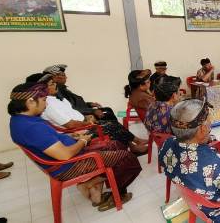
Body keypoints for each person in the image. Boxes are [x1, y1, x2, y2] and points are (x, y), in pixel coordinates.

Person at [8, 82, 142, 211]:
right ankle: (108, 192)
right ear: (30, 101)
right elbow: (65, 154)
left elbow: (50, 140)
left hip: (64, 160)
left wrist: (72, 137)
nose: (46, 102)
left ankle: (97, 193)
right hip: (68, 165)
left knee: (115, 145)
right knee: (128, 159)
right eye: (43, 99)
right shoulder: (32, 128)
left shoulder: (20, 120)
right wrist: (83, 141)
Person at [31, 73, 148, 154]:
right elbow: (70, 124)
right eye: (51, 84)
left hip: (83, 123)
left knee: (110, 120)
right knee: (111, 125)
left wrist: (87, 116)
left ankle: (133, 144)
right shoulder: (49, 104)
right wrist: (87, 122)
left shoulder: (55, 97)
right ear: (42, 89)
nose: (55, 84)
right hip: (79, 131)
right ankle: (133, 144)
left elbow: (73, 110)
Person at [43, 64, 117, 121]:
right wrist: (93, 110)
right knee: (108, 113)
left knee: (107, 110)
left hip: (84, 112)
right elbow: (71, 108)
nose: (66, 77)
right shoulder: (57, 91)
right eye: (63, 75)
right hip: (82, 115)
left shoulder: (63, 89)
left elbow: (75, 102)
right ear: (54, 77)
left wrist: (89, 104)